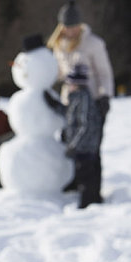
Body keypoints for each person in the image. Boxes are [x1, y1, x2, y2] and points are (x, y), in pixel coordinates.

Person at [47, 0, 114, 192]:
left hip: (93, 102)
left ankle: (93, 188)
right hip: (71, 101)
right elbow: (58, 73)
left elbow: (104, 73)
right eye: (67, 26)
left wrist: (104, 97)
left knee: (90, 148)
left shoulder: (93, 44)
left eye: (74, 26)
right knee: (69, 142)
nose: (71, 30)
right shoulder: (58, 46)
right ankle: (75, 181)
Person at [44, 64, 103, 208]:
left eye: (69, 82)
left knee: (87, 177)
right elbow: (70, 116)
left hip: (86, 148)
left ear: (76, 83)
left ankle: (89, 204)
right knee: (84, 174)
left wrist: (74, 145)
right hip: (82, 147)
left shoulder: (83, 99)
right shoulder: (77, 98)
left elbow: (85, 125)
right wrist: (54, 105)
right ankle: (90, 201)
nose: (68, 85)